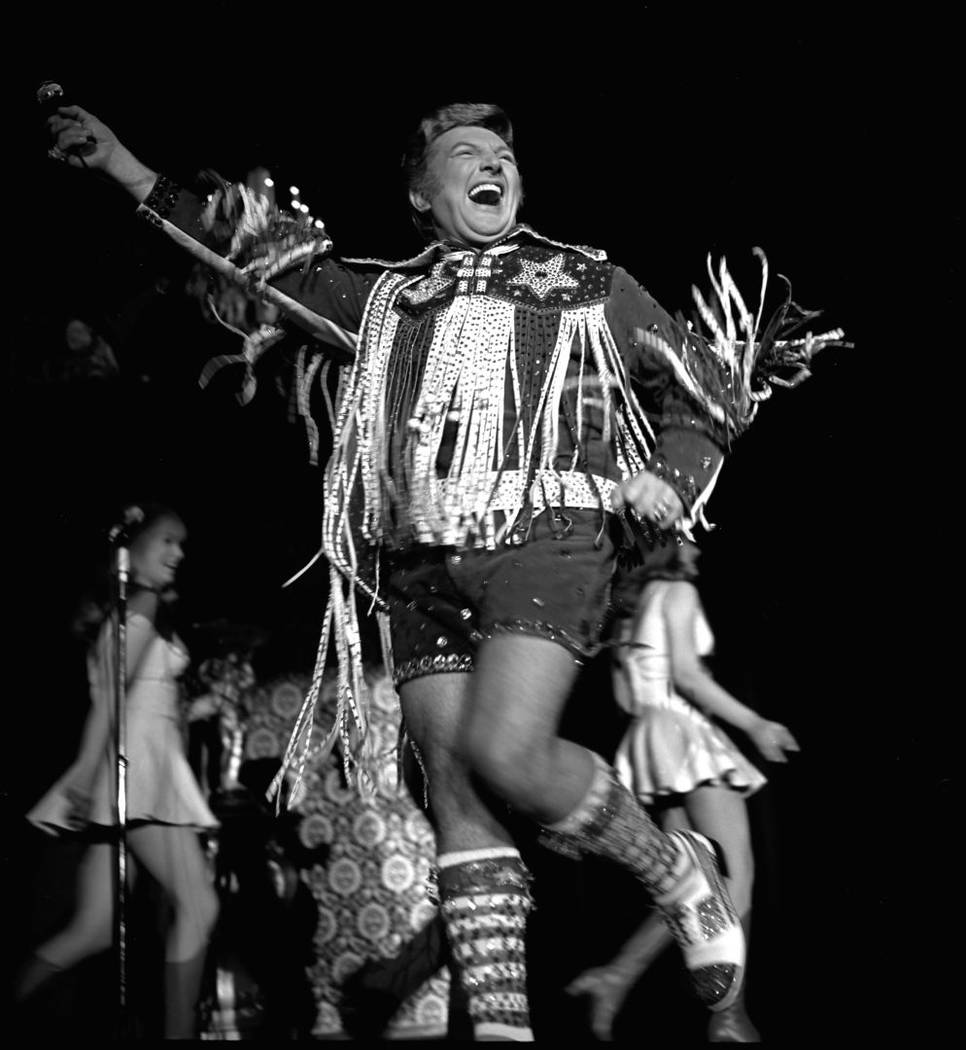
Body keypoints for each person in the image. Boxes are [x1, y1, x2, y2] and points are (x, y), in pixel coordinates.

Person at [45, 100, 842, 1041]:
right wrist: (126, 170)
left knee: (509, 754)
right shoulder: (384, 301)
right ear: (422, 194)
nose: (490, 163)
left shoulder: (584, 280)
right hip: (417, 558)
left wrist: (671, 477)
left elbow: (701, 380)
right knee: (457, 793)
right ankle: (503, 1028)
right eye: (466, 153)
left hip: (550, 535)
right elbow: (243, 256)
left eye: (503, 154)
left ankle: (674, 869)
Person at [567, 536, 799, 1040]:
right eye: (688, 544)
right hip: (684, 736)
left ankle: (616, 976)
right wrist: (755, 723)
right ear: (667, 550)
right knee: (738, 874)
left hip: (648, 742)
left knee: (688, 884)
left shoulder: (626, 612)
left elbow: (627, 697)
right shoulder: (678, 593)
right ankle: (729, 1016)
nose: (696, 553)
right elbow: (689, 677)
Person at [18, 502, 219, 1039]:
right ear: (130, 548)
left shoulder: (124, 611)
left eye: (183, 544)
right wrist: (85, 778)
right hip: (137, 777)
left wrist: (190, 710)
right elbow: (110, 703)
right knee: (199, 906)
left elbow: (133, 698)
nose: (178, 554)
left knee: (92, 929)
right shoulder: (144, 605)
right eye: (167, 541)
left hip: (126, 772)